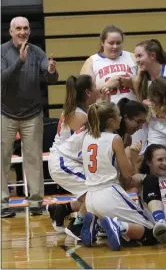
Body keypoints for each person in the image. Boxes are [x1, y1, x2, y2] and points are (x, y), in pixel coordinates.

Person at [1, 16, 58, 217]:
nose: (22, 32)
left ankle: (35, 202)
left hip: (33, 114)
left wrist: (51, 71)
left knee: (33, 158)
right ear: (11, 31)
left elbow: (51, 77)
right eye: (18, 28)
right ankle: (2, 204)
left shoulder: (37, 51)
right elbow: (3, 79)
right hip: (5, 113)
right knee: (2, 159)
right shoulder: (2, 51)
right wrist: (20, 62)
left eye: (25, 28)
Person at [80, 101, 157, 250]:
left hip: (89, 198)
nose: (121, 118)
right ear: (111, 121)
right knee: (151, 231)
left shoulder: (87, 137)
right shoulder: (115, 139)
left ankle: (96, 223)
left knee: (131, 231)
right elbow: (128, 174)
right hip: (109, 194)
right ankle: (118, 226)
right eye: (118, 116)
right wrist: (133, 155)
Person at [47, 74, 97, 233]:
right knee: (95, 192)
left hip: (67, 160)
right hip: (63, 162)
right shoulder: (79, 116)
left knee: (97, 191)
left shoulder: (80, 110)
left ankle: (63, 209)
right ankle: (78, 227)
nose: (99, 88)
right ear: (88, 92)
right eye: (95, 86)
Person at [134, 39, 166, 161]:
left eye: (140, 56)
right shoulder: (139, 80)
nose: (137, 60)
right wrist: (146, 105)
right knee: (155, 161)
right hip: (157, 126)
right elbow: (142, 106)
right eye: (135, 56)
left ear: (152, 55)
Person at [80, 25, 137, 104]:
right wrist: (107, 85)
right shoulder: (92, 61)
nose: (115, 46)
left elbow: (147, 88)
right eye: (111, 43)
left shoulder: (132, 57)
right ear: (102, 43)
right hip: (105, 112)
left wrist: (132, 84)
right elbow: (84, 93)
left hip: (132, 111)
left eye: (118, 43)